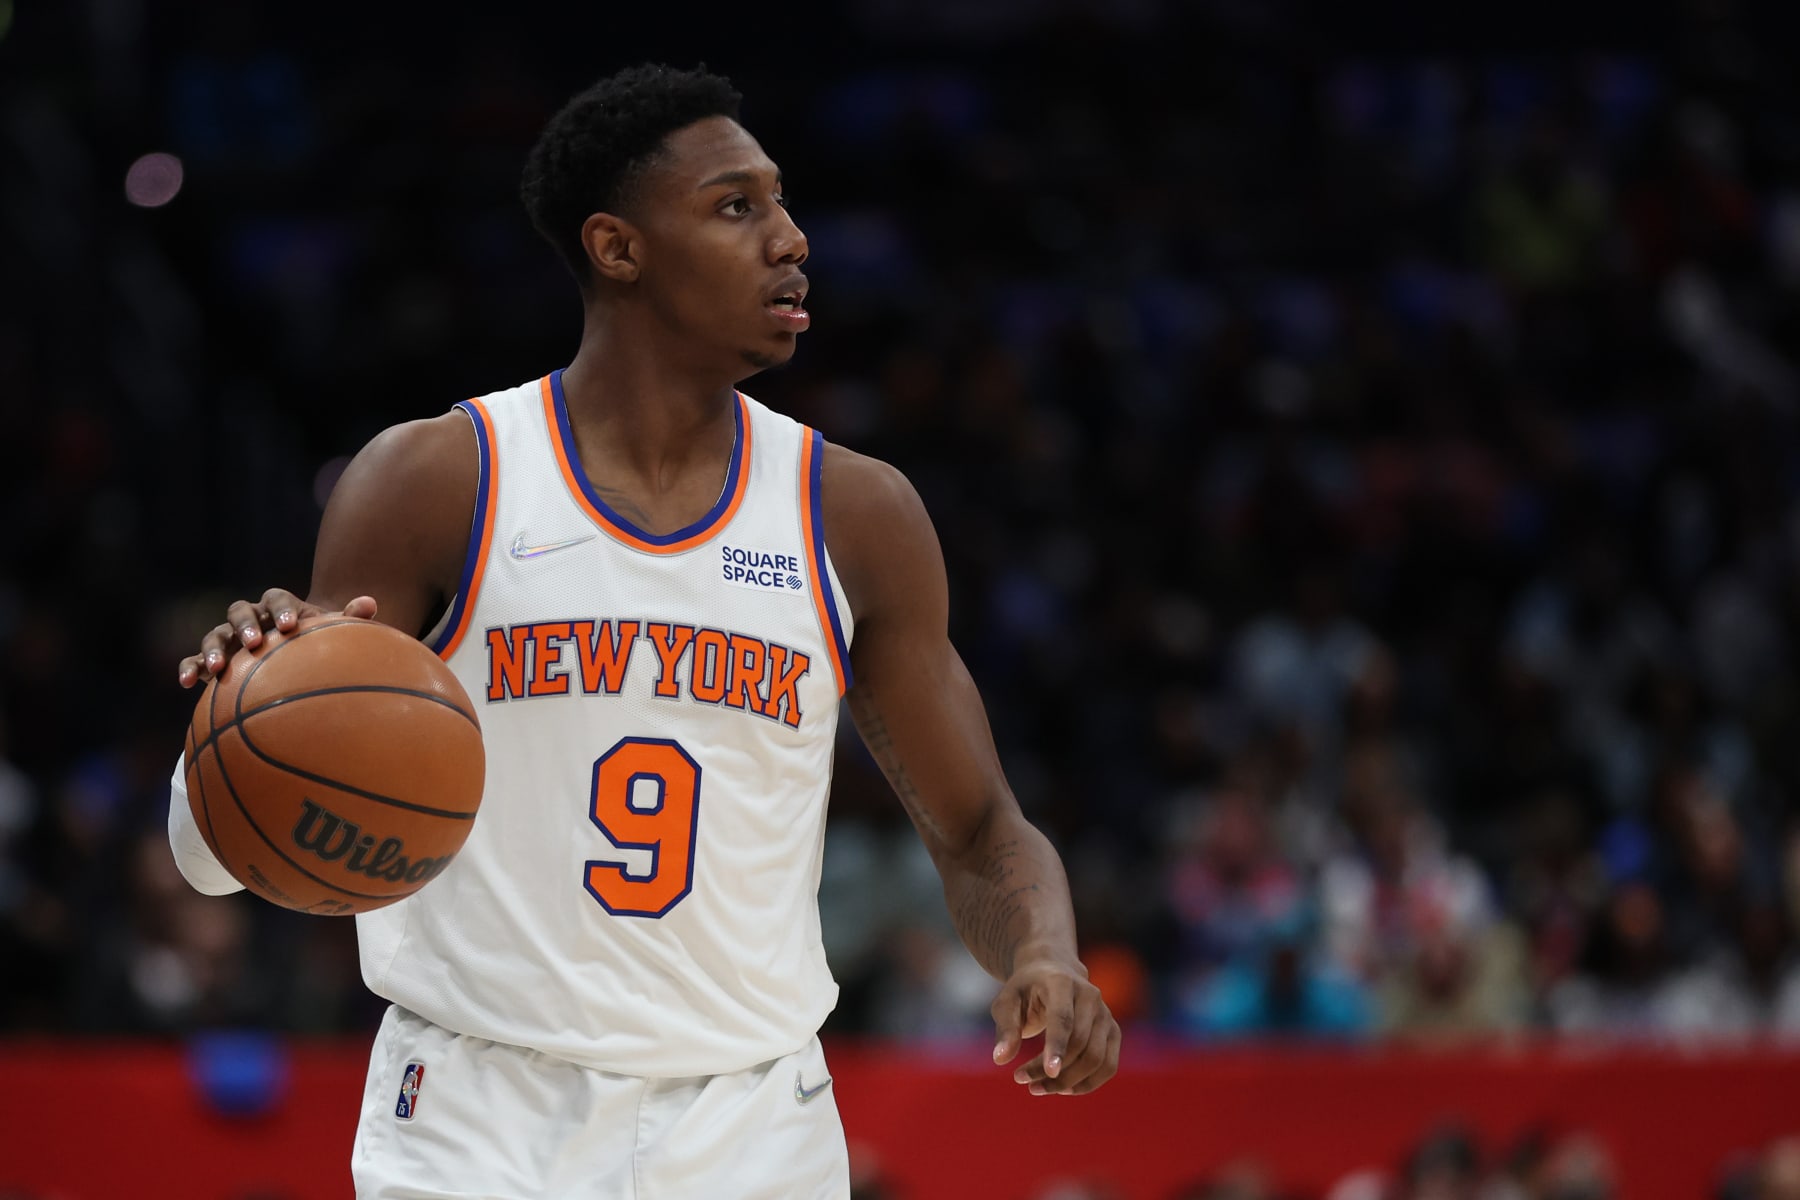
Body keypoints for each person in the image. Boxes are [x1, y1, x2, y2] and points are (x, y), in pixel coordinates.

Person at [167, 62, 1119, 1198]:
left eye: (781, 200)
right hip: (478, 1114)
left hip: (755, 1124)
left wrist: (1043, 952)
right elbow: (227, 851)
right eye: (736, 206)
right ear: (617, 249)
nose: (791, 237)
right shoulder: (439, 481)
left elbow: (980, 832)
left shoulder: (855, 512)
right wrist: (241, 712)